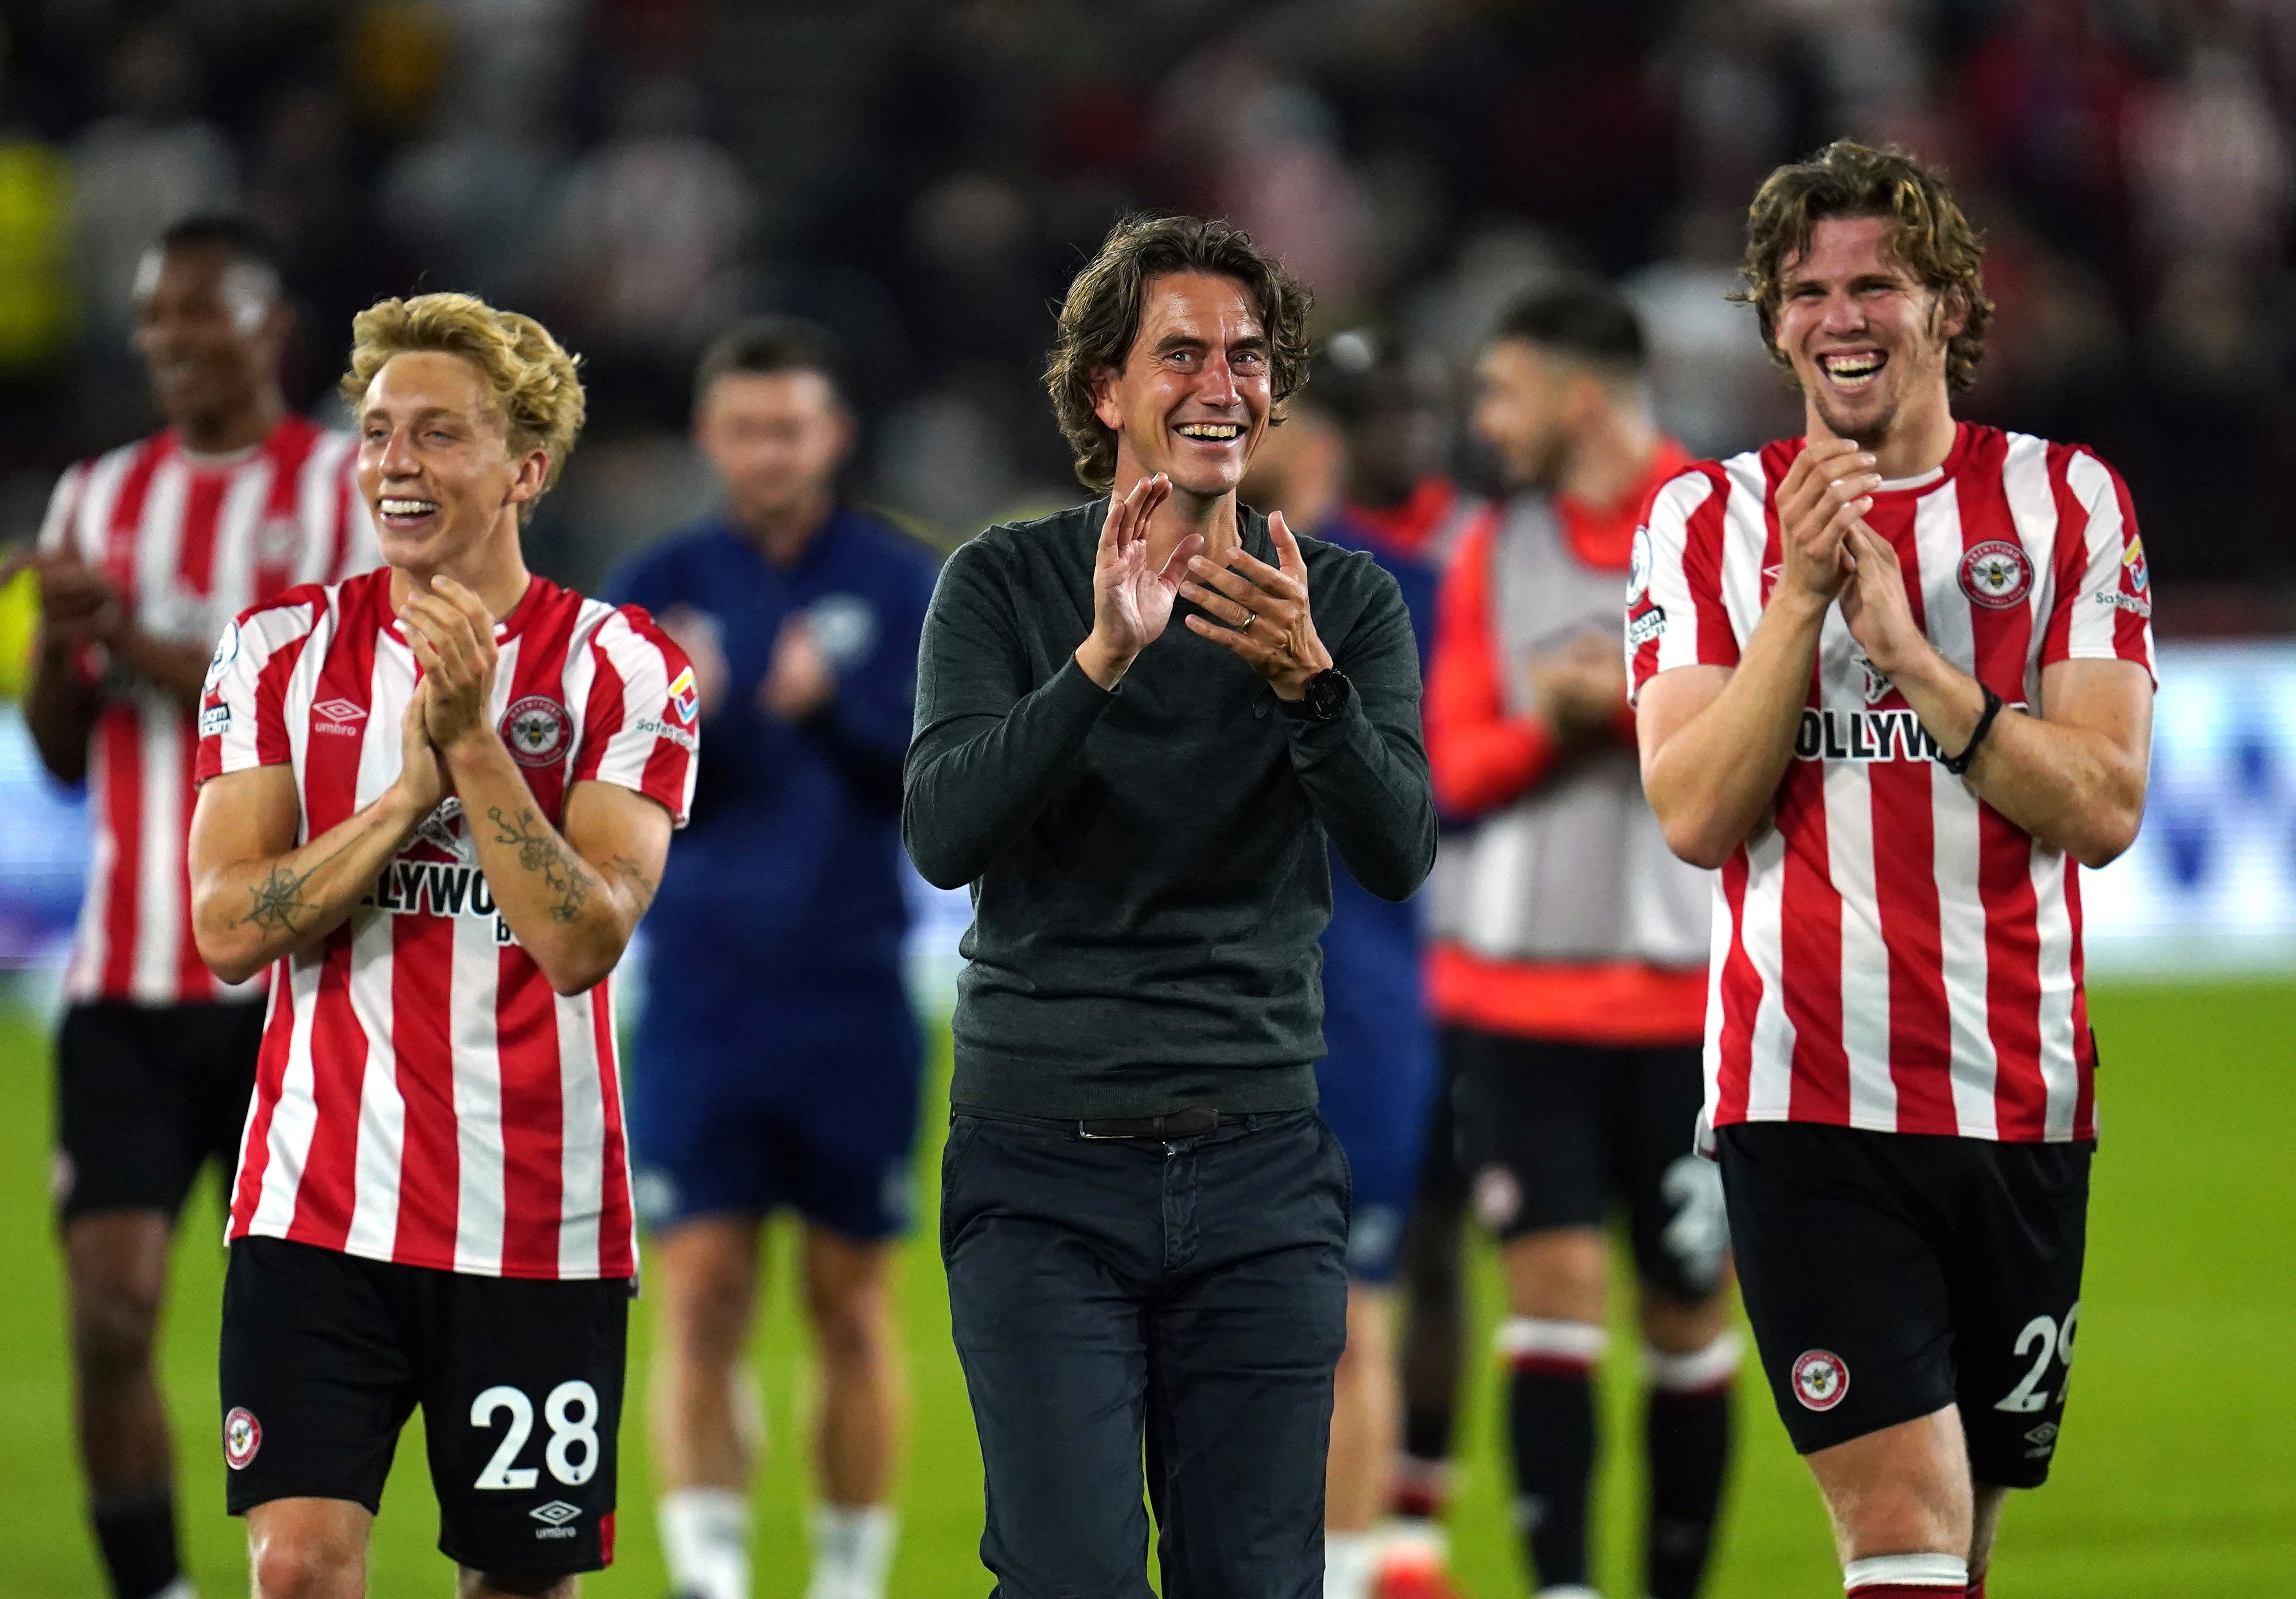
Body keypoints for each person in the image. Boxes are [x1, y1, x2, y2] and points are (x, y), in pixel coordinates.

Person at [1631, 141, 2155, 1599]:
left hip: (2021, 1093)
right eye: (1805, 290)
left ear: (1949, 305)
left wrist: (1921, 667)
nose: (1837, 315)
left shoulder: (2064, 506)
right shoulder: (1706, 523)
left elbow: (2103, 805)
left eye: (1874, 282)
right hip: (1804, 1092)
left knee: (1964, 1533)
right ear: (1770, 317)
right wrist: (1801, 598)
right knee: (1902, 1527)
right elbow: (1692, 808)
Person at [904, 213, 1436, 1597]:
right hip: (1041, 1172)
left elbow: (1397, 853)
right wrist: (1099, 660)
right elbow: (944, 832)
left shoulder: (1342, 605)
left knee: (1257, 1581)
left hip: (1259, 1163)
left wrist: (1311, 692)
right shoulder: (1006, 586)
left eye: (1248, 357)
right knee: (1071, 1575)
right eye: (1181, 354)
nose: (1222, 384)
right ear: (1103, 389)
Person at [186, 292, 697, 1598]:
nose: (394, 464)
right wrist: (402, 799)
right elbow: (228, 924)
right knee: (297, 1570)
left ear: (526, 466)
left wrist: (469, 744)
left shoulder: (627, 669)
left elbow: (584, 940)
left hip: (536, 1218)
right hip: (316, 1203)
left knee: (517, 1586)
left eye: (437, 434)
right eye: (374, 434)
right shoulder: (279, 652)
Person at [30, 214, 374, 1599]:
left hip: (288, 985)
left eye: (194, 314)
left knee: (286, 1336)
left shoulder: (353, 489)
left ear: (266, 328)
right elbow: (61, 751)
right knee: (109, 1317)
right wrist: (68, 645)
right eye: (151, 319)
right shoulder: (96, 493)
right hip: (121, 980)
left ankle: (285, 1568)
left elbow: (315, 714)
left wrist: (122, 632)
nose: (166, 340)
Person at [603, 318, 938, 1599]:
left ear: (834, 436)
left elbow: (940, 789)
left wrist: (832, 713)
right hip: (702, 993)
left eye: (788, 428)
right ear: (709, 437)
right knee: (699, 1297)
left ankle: (846, 1584)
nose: (766, 452)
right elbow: (614, 796)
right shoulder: (653, 585)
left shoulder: (909, 584)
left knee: (853, 1305)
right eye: (743, 429)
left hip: (851, 992)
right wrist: (700, 718)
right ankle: (713, 1580)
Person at [1423, 278, 1732, 1599]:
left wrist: (1638, 710)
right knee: (1545, 1307)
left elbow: (1770, 753)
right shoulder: (1495, 547)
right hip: (1520, 1004)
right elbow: (1448, 763)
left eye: (1502, 392)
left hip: (1690, 1009)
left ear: (1577, 397)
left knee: (1685, 1318)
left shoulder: (1736, 532)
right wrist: (1555, 725)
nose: (1486, 420)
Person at [1236, 338, 1475, 1599]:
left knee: (1347, 1317)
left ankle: (1347, 1573)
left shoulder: (1415, 598)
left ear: (1310, 447)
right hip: (1213, 1012)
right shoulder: (1176, 588)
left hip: (1364, 1005)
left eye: (1256, 417)